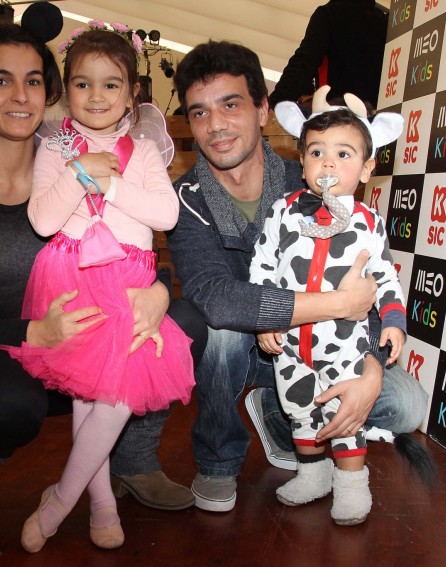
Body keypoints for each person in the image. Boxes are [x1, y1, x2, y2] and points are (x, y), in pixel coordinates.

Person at [0, 1, 203, 530]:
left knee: (183, 324)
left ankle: (129, 461)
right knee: (7, 404)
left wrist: (159, 289)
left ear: (48, 91)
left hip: (90, 328)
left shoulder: (82, 154)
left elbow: (133, 237)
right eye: (1, 80)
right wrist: (33, 332)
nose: (20, 95)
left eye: (32, 81)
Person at [166, 40, 428, 512]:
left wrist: (371, 365)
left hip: (331, 344)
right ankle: (219, 460)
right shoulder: (185, 198)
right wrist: (338, 303)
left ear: (263, 110)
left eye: (231, 105)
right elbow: (215, 296)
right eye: (200, 112)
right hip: (250, 344)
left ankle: (278, 414)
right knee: (216, 329)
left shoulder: (314, 174)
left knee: (406, 406)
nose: (216, 125)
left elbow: (370, 275)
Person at [0, 24, 194, 552]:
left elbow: (166, 214)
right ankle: (102, 502)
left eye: (111, 84)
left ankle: (62, 499)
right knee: (90, 393)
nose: (97, 96)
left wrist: (110, 183)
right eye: (83, 84)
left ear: (132, 93)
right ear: (66, 91)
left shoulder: (144, 151)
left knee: (117, 393)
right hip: (72, 278)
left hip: (129, 284)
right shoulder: (55, 147)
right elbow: (43, 221)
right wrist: (78, 171)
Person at [250, 88, 406, 525]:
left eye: (343, 153)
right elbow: (262, 266)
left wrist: (393, 320)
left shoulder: (369, 223)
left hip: (344, 346)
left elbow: (386, 277)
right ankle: (313, 474)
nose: (329, 164)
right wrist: (265, 319)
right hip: (289, 342)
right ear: (301, 161)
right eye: (317, 152)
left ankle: (352, 483)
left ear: (367, 167)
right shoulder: (282, 211)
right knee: (300, 409)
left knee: (344, 415)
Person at [268, 0, 388, 108]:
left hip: (336, 114)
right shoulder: (385, 22)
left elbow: (304, 62)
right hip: (376, 116)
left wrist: (276, 102)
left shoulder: (329, 14)